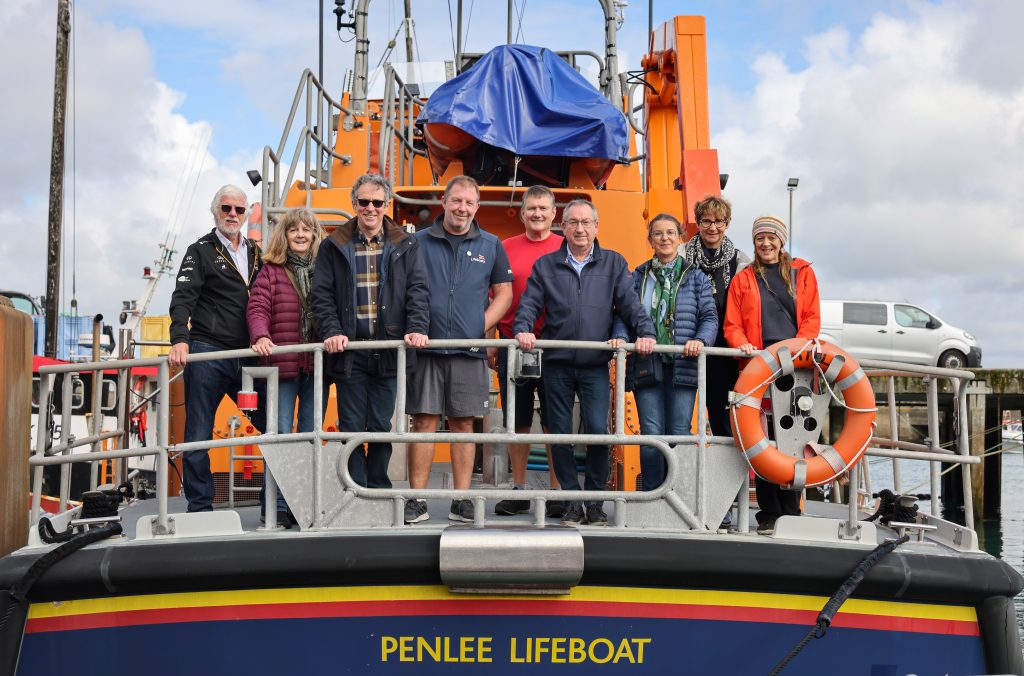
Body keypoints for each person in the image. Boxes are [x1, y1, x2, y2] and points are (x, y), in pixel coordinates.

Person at [515, 199, 656, 527]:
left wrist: (646, 333)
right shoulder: (546, 265)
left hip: (594, 364)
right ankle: (570, 500)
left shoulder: (614, 264)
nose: (580, 229)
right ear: (562, 228)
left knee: (597, 431)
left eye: (586, 223)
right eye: (573, 223)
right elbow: (530, 303)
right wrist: (523, 329)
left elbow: (630, 305)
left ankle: (594, 501)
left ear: (596, 227)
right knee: (560, 433)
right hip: (557, 363)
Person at [311, 174, 430, 492]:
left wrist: (417, 327)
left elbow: (417, 290)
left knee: (380, 425)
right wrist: (332, 331)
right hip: (350, 351)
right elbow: (321, 295)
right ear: (354, 204)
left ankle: (377, 488)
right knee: (351, 425)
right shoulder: (333, 245)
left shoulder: (405, 244)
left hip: (389, 351)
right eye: (363, 202)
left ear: (387, 205)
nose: (370, 208)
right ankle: (354, 488)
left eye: (377, 202)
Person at [406, 175, 513, 524]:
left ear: (477, 206)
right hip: (426, 348)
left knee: (464, 423)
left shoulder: (491, 244)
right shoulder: (417, 242)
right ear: (444, 201)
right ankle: (417, 500)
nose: (462, 208)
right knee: (423, 421)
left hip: (469, 350)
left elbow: (504, 294)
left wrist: (477, 328)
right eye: (457, 201)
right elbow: (407, 291)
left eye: (469, 202)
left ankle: (462, 500)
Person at [169, 185, 264, 513]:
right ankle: (199, 507)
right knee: (198, 432)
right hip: (209, 352)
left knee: (272, 425)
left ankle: (276, 503)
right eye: (226, 209)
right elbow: (182, 298)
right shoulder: (200, 251)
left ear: (248, 212)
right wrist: (179, 338)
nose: (233, 215)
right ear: (215, 211)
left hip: (249, 357)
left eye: (239, 210)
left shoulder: (255, 252)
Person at [724, 215, 821, 535]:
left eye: (771, 238)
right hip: (757, 368)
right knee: (762, 442)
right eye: (759, 239)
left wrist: (795, 350)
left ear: (782, 241)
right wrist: (744, 345)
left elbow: (811, 320)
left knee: (793, 441)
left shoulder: (803, 273)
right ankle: (769, 512)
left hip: (795, 369)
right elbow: (732, 325)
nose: (765, 244)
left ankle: (791, 511)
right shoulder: (743, 278)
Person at [616, 213, 717, 491]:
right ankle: (651, 496)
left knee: (680, 434)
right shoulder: (637, 276)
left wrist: (700, 340)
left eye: (670, 233)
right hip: (647, 363)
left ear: (680, 237)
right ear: (650, 240)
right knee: (651, 434)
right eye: (658, 234)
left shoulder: (695, 277)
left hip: (684, 364)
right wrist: (622, 338)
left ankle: (679, 497)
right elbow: (624, 314)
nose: (665, 238)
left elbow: (709, 316)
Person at [247, 207, 325, 529]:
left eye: (307, 229)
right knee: (278, 436)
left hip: (315, 366)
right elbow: (258, 306)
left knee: (309, 438)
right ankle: (275, 506)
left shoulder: (324, 271)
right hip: (282, 366)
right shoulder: (271, 271)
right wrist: (261, 334)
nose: (301, 235)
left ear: (315, 234)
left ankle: (301, 504)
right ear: (285, 235)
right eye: (294, 230)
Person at [489, 185, 564, 518]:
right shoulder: (504, 249)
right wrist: (491, 339)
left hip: (556, 346)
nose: (537, 213)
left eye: (543, 208)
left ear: (554, 213)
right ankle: (519, 488)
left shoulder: (566, 247)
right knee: (516, 421)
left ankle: (557, 491)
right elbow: (491, 295)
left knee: (554, 422)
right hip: (512, 345)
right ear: (522, 213)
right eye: (531, 208)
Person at [682, 195, 750, 437]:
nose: (712, 227)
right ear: (698, 223)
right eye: (706, 221)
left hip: (723, 350)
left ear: (728, 223)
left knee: (723, 419)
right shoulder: (682, 256)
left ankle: (725, 474)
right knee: (681, 418)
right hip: (687, 344)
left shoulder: (741, 261)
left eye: (719, 221)